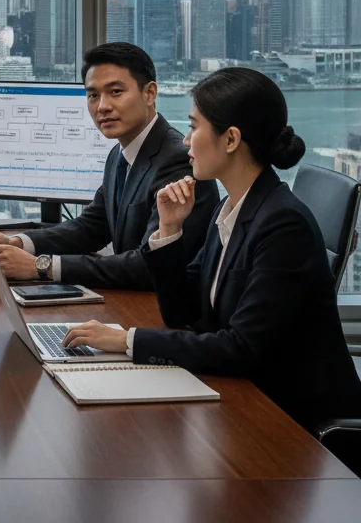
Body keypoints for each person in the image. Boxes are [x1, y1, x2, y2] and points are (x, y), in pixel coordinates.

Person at [62, 67, 361, 433]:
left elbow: (240, 348)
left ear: (231, 139)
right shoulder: (231, 208)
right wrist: (169, 230)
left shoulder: (284, 225)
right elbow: (182, 311)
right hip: (245, 396)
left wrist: (126, 340)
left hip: (295, 424)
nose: (186, 141)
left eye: (194, 127)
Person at [0, 42, 220, 289]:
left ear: (149, 93)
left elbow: (150, 265)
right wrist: (19, 243)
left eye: (115, 92)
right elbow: (91, 227)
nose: (103, 106)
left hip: (162, 309)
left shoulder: (179, 161)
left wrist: (41, 266)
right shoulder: (120, 155)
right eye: (93, 95)